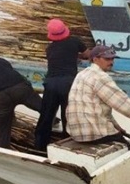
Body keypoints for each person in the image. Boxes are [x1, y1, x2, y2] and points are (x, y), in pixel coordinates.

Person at [66, 45, 130, 144]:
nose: (111, 62)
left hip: (77, 133)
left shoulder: (82, 74)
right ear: (95, 59)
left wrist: (116, 127)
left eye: (112, 59)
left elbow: (100, 109)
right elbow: (122, 103)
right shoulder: (100, 77)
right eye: (107, 59)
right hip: (95, 133)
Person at [34, 18, 90, 151]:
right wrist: (77, 57)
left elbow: (59, 58)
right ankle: (67, 146)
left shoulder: (50, 48)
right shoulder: (75, 41)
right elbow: (87, 55)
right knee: (68, 116)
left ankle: (39, 146)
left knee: (46, 116)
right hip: (68, 83)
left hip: (51, 83)